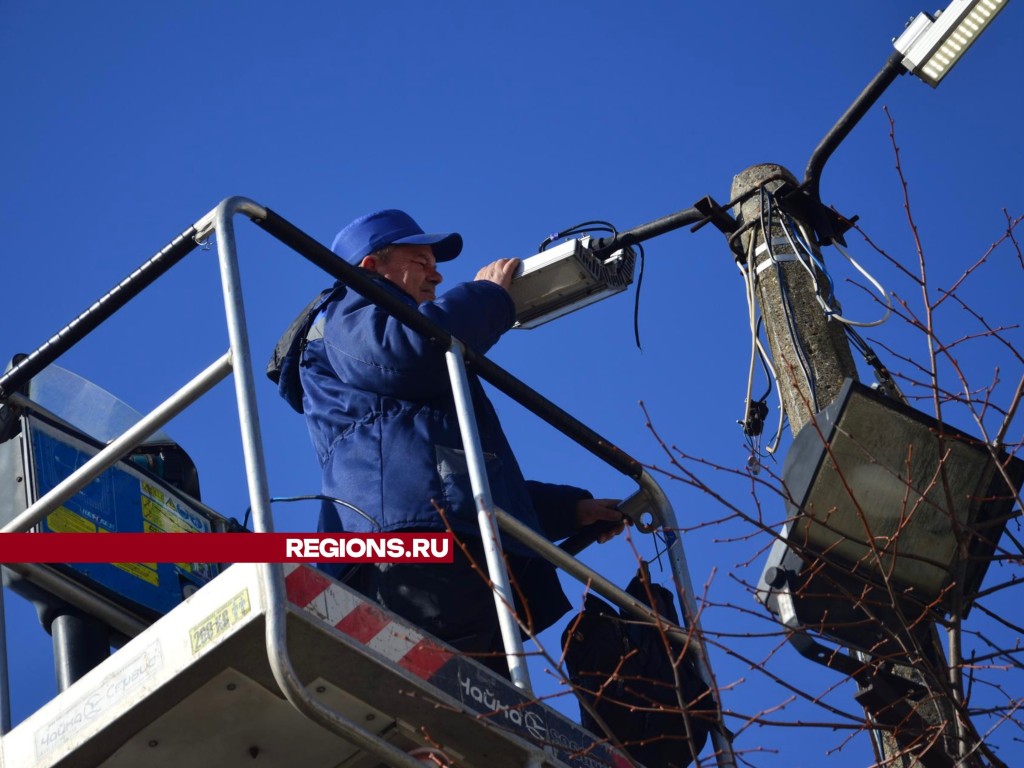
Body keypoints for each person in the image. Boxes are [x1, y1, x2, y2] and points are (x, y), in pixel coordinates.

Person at [275, 209, 623, 676]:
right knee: (449, 712)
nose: (436, 274)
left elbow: (452, 479)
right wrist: (487, 297)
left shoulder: (396, 374)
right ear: (370, 267)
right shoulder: (350, 305)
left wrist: (567, 510)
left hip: (434, 545)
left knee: (463, 722)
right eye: (420, 260)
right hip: (409, 549)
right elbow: (410, 354)